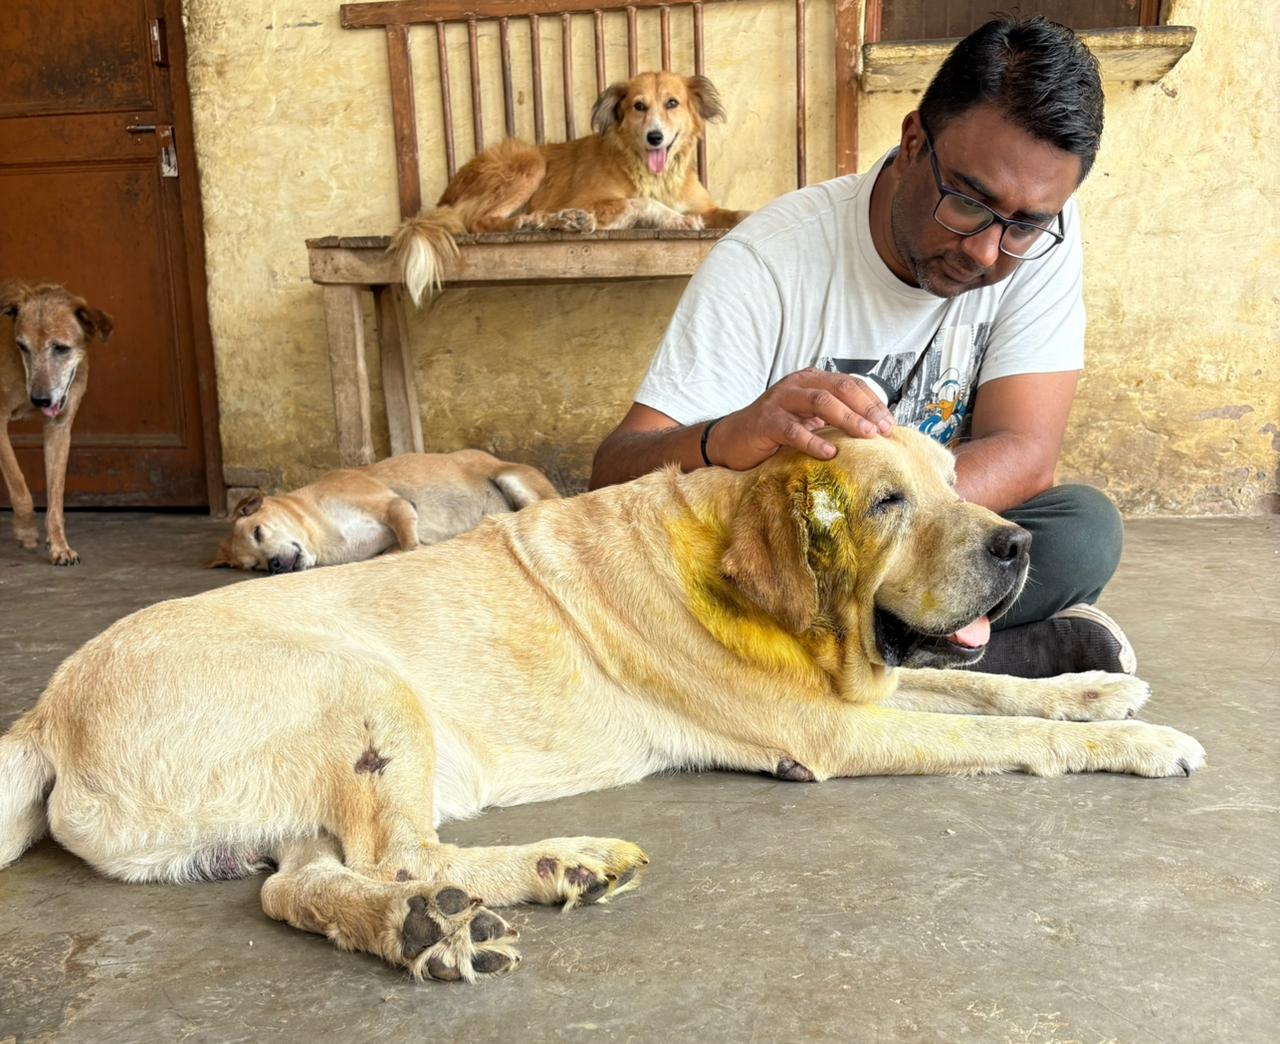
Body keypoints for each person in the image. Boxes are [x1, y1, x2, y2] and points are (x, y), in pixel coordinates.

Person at [589, 15, 1134, 679]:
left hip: (907, 554)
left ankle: (862, 666)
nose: (988, 252)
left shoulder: (1038, 235)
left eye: (1025, 226)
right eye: (969, 203)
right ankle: (962, 659)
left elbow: (1025, 449)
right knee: (688, 569)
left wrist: (907, 523)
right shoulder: (767, 260)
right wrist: (725, 437)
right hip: (801, 559)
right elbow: (611, 475)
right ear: (913, 143)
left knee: (1083, 531)